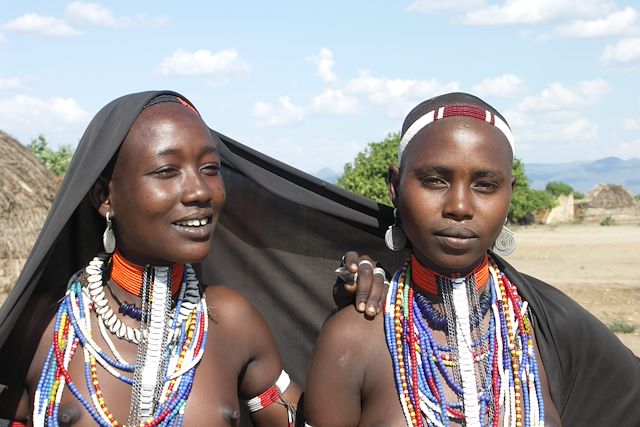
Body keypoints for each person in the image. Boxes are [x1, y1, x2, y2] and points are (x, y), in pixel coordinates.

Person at [0, 90, 384, 427]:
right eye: (167, 171)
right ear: (105, 197)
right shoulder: (49, 328)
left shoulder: (229, 322)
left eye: (210, 169)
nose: (200, 191)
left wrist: (347, 322)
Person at [304, 92, 640, 426]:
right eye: (435, 181)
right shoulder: (352, 339)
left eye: (485, 185)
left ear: (510, 191)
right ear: (395, 186)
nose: (460, 207)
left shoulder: (550, 326)